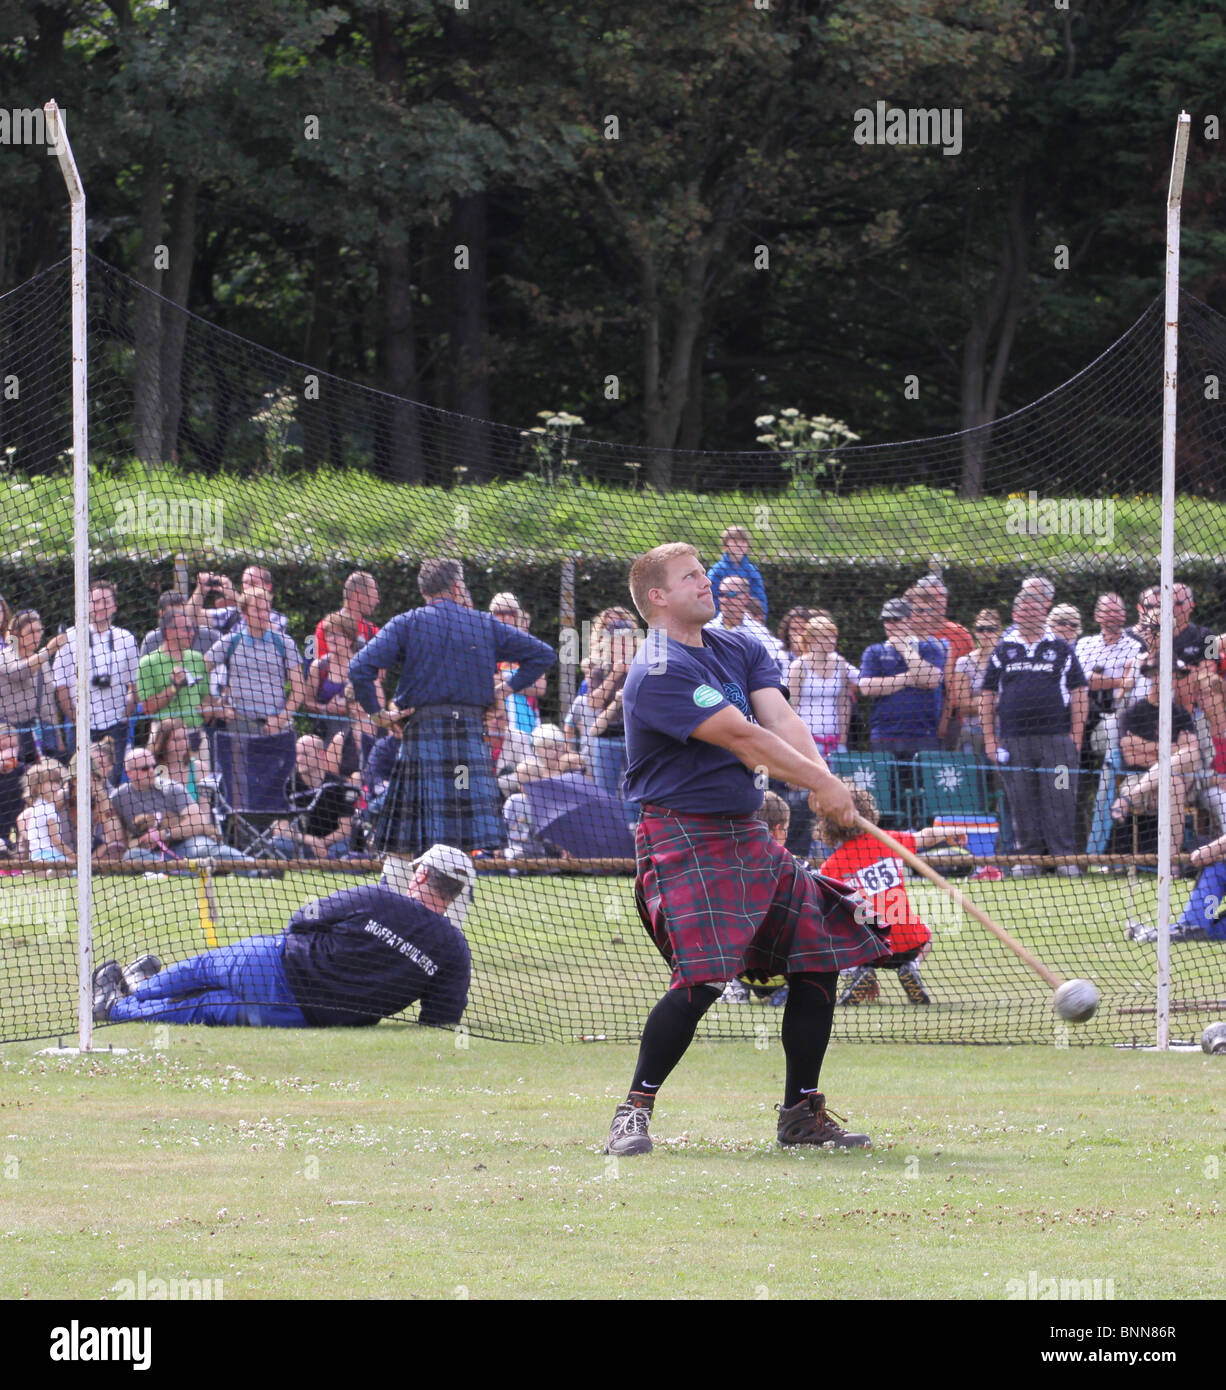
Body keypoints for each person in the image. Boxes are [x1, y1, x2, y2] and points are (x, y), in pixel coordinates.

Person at [601, 542, 888, 1158]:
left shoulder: (742, 648)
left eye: (705, 573)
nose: (708, 584)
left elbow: (780, 721)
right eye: (692, 578)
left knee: (818, 956)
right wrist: (823, 784)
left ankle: (801, 1114)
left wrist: (824, 783)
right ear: (658, 596)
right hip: (682, 835)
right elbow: (742, 736)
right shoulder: (657, 668)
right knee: (702, 978)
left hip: (746, 831)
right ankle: (633, 1111)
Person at [93, 844, 475, 1027]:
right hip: (304, 1016)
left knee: (202, 970)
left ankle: (135, 989)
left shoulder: (377, 897)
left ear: (421, 875)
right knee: (204, 1008)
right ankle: (117, 1007)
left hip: (273, 965)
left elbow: (301, 919)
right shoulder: (455, 951)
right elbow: (440, 1019)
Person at [347, 557, 555, 858]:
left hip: (422, 737)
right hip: (467, 740)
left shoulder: (407, 622)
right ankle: (452, 899)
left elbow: (358, 668)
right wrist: (505, 688)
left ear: (424, 591)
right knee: (459, 832)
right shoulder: (485, 624)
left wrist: (378, 714)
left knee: (406, 839)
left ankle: (402, 897)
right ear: (457, 588)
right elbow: (543, 654)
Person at [816, 781, 967, 1005]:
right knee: (927, 936)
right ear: (867, 813)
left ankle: (861, 972)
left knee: (841, 929)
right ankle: (911, 967)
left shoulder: (831, 866)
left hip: (867, 947)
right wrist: (950, 831)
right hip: (906, 941)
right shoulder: (888, 841)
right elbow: (924, 836)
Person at [981, 590, 1088, 877]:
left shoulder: (1062, 649)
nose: (1030, 614)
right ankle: (1027, 858)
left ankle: (1064, 857)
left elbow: (1079, 693)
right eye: (1024, 610)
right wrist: (990, 740)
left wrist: (1075, 737)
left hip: (1058, 743)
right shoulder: (1003, 650)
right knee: (1021, 800)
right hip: (1015, 742)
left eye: (1035, 609)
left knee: (1061, 797)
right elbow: (988, 695)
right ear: (1015, 615)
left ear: (1044, 614)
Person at [51, 580, 140, 784]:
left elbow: (135, 684)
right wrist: (73, 717)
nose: (100, 606)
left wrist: (125, 714)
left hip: (116, 724)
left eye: (106, 601)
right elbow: (61, 684)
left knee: (114, 780)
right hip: (81, 724)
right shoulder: (70, 638)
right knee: (80, 780)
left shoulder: (126, 638)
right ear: (87, 604)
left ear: (115, 606)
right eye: (95, 601)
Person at [110, 746, 246, 866]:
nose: (152, 771)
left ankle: (256, 869)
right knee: (132, 856)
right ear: (129, 773)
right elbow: (118, 839)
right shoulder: (119, 797)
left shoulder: (171, 788)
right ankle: (184, 871)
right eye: (145, 768)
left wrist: (163, 834)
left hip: (185, 846)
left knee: (209, 848)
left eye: (153, 766)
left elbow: (199, 821)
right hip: (151, 856)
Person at [205, 586, 305, 736]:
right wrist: (216, 706)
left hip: (276, 726)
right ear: (244, 614)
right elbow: (198, 671)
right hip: (238, 725)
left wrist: (281, 719)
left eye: (266, 610)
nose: (264, 615)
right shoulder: (230, 641)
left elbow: (299, 690)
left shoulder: (285, 643)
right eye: (257, 610)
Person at [857, 598, 945, 761]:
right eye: (886, 620)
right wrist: (909, 678)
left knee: (922, 785)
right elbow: (866, 687)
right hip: (884, 735)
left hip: (923, 734)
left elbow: (931, 680)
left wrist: (904, 649)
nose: (891, 624)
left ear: (910, 620)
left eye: (896, 619)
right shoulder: (874, 651)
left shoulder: (929, 648)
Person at [1075, 593, 1143, 759]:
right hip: (1085, 712)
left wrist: (1102, 681)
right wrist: (1121, 681)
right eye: (1108, 611)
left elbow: (1133, 683)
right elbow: (1084, 680)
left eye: (1117, 611)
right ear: (1097, 616)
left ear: (1124, 615)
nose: (1113, 616)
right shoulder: (1085, 644)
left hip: (1120, 711)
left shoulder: (1136, 647)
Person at [0, 610, 70, 764]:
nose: (36, 636)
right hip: (12, 735)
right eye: (31, 631)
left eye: (39, 631)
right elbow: (19, 672)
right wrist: (49, 649)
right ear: (17, 634)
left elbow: (48, 703)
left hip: (43, 731)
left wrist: (58, 740)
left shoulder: (42, 661)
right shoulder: (5, 657)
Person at [788, 614, 855, 758]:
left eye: (833, 636)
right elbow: (792, 707)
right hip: (806, 743)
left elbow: (843, 702)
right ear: (811, 639)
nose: (832, 641)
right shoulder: (798, 666)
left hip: (836, 744)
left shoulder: (840, 663)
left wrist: (843, 737)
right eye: (825, 637)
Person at [705, 576, 788, 677]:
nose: (725, 600)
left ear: (746, 598)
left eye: (732, 594)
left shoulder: (760, 633)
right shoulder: (706, 630)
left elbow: (769, 671)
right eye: (722, 594)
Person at [948, 609, 1002, 758]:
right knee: (973, 779)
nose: (985, 633)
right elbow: (963, 707)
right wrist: (995, 701)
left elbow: (1012, 702)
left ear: (999, 631)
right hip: (972, 733)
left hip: (1003, 733)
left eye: (990, 629)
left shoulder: (1007, 661)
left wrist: (978, 702)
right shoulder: (963, 663)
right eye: (980, 629)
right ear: (975, 631)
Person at [17, 759, 74, 867]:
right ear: (38, 787)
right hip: (50, 856)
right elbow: (56, 841)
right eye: (51, 782)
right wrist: (74, 856)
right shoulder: (48, 809)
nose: (56, 786)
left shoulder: (36, 807)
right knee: (73, 871)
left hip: (35, 857)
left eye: (57, 782)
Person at [314, 571, 380, 659]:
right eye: (374, 595)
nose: (377, 601)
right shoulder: (326, 627)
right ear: (358, 595)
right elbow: (315, 668)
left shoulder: (373, 631)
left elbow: (379, 670)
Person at [706, 525, 768, 620]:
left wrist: (758, 619)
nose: (740, 545)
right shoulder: (716, 571)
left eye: (743, 542)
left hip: (748, 623)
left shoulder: (752, 571)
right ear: (725, 546)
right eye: (735, 542)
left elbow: (760, 599)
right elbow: (710, 600)